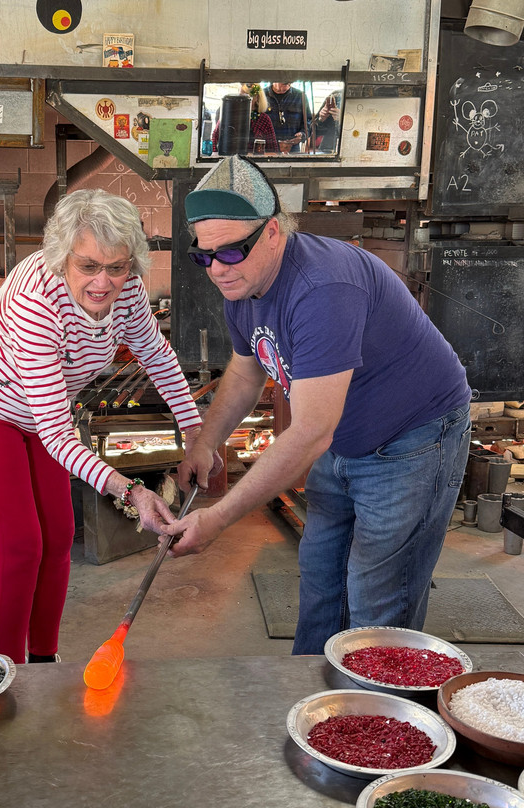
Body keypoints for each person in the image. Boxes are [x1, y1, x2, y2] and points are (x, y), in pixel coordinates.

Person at [164, 155, 471, 654]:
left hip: (413, 439)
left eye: (231, 252)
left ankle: (375, 723)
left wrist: (218, 518)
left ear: (273, 233)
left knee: (377, 600)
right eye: (204, 255)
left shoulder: (322, 288)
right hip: (344, 439)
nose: (217, 269)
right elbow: (246, 370)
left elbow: (309, 432)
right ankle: (314, 708)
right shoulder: (241, 283)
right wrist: (205, 442)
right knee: (322, 576)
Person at [0, 189, 204, 665]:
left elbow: (156, 354)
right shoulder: (37, 301)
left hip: (43, 408)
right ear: (63, 260)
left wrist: (196, 434)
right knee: (21, 545)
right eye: (88, 267)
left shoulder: (129, 291)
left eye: (117, 267)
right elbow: (59, 436)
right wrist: (131, 490)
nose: (104, 283)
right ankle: (8, 671)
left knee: (57, 535)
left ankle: (43, 659)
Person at [264, 82, 309, 153]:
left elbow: (308, 122)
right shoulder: (262, 95)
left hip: (292, 151)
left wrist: (302, 134)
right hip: (266, 150)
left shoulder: (300, 96)